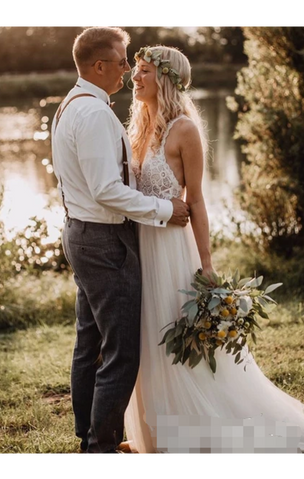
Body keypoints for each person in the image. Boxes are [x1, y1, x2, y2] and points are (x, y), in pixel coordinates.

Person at [124, 45, 304, 456]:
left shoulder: (183, 128)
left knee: (175, 336)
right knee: (148, 338)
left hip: (172, 250)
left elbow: (198, 201)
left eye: (144, 71)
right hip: (141, 249)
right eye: (135, 70)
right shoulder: (140, 125)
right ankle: (155, 432)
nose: (135, 78)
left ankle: (194, 428)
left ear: (165, 78)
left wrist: (206, 264)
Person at [51, 29, 190, 457]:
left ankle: (87, 436)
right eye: (122, 61)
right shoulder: (92, 114)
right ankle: (101, 447)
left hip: (82, 232)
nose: (127, 69)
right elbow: (106, 190)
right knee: (120, 352)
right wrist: (166, 211)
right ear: (99, 66)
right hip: (103, 240)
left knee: (90, 343)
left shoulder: (72, 105)